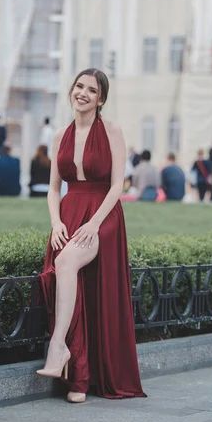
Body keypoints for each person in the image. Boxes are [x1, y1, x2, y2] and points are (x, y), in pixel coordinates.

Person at [36, 68, 145, 403]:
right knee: (71, 276)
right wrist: (56, 222)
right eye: (79, 86)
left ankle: (58, 348)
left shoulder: (112, 131)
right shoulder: (59, 136)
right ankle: (79, 379)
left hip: (104, 215)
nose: (82, 93)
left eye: (91, 90)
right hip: (69, 213)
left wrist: (95, 223)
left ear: (101, 99)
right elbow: (54, 189)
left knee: (67, 260)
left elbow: (116, 186)